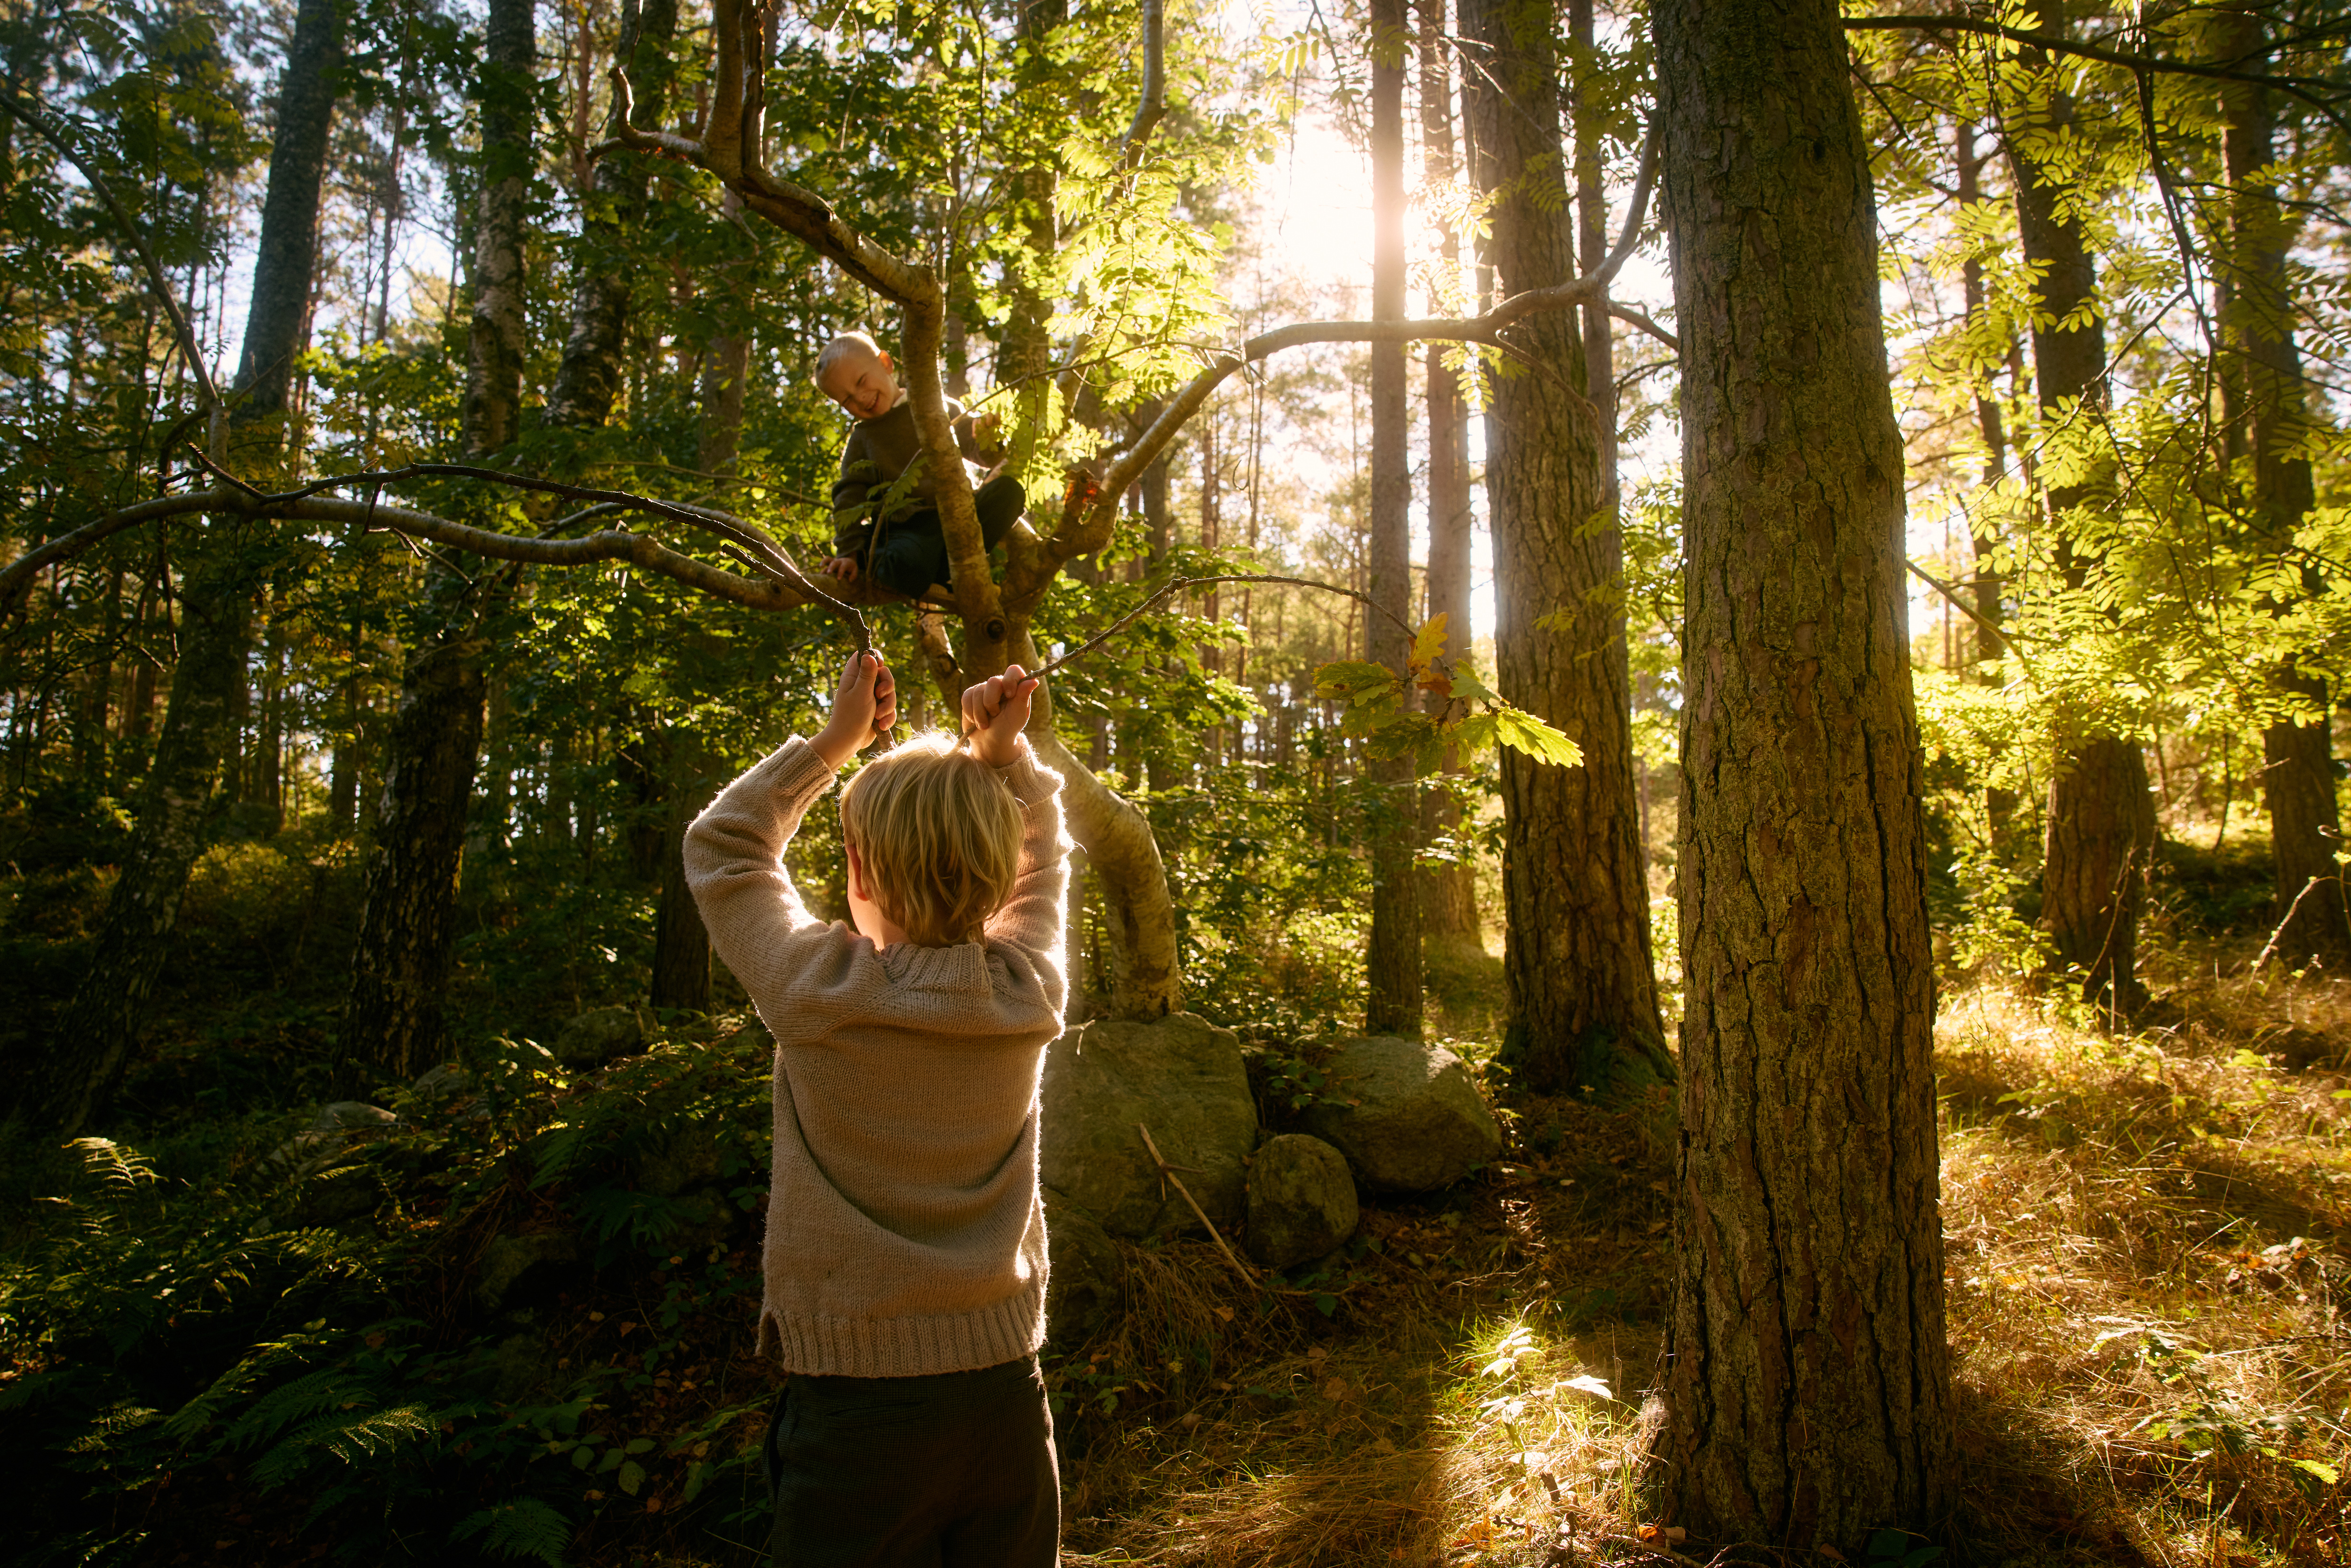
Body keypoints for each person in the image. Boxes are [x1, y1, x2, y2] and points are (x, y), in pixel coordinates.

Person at [683, 648, 1068, 1567]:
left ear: (858, 865)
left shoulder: (819, 989)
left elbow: (724, 846)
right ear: (994, 865)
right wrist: (1008, 756)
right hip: (1004, 1400)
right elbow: (1048, 859)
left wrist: (832, 742)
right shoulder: (1024, 991)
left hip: (855, 1411)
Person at [815, 331, 1027, 601]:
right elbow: (849, 499)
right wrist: (848, 554)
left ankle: (942, 573)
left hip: (959, 513)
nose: (860, 398)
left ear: (885, 363)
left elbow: (982, 454)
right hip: (909, 527)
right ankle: (919, 571)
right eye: (846, 400)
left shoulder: (936, 406)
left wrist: (989, 435)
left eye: (861, 382)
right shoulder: (863, 440)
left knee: (1009, 493)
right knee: (906, 563)